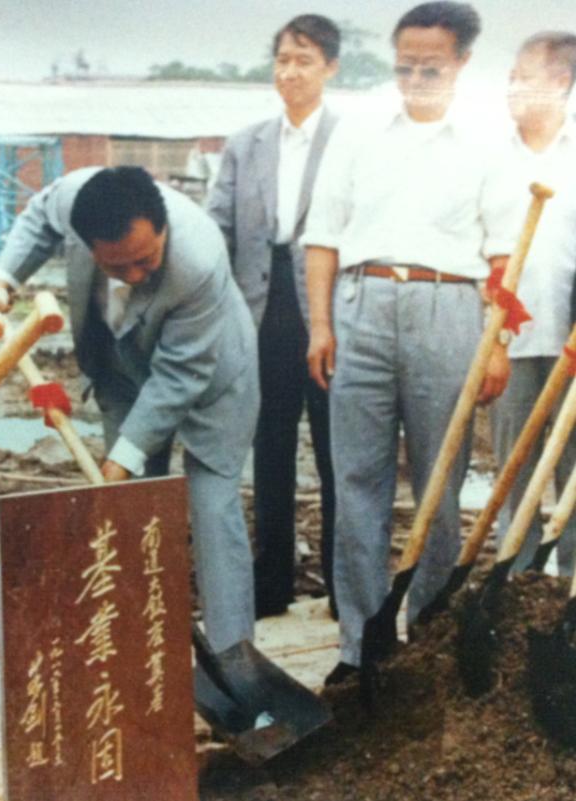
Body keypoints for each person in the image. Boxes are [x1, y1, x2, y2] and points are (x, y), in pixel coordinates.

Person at [302, 1, 515, 685]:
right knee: (356, 481)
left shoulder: (486, 144)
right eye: (405, 64)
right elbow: (323, 239)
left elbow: (507, 254)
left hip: (449, 309)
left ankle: (429, 636)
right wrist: (320, 323)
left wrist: (499, 343)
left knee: (438, 483)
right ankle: (360, 648)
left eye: (432, 64)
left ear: (460, 63)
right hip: (360, 308)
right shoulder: (358, 133)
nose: (416, 75)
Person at [0, 165, 260, 656]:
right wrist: (3, 278)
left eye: (145, 262)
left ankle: (235, 659)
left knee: (213, 512)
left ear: (163, 227)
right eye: (116, 267)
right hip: (123, 368)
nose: (133, 276)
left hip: (209, 380)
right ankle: (141, 653)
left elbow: (179, 377)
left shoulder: (199, 258)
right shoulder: (73, 199)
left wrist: (124, 454)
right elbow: (38, 216)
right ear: (87, 244)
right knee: (130, 513)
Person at [207, 14, 341, 620]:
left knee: (338, 448)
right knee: (270, 447)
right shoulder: (246, 143)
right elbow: (219, 226)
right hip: (260, 311)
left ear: (330, 68)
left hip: (326, 312)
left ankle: (346, 586)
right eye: (282, 59)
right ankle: (271, 582)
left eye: (304, 60)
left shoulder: (351, 140)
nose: (290, 71)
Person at [491, 32, 576, 575]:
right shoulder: (488, 153)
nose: (512, 88)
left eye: (525, 77)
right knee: (513, 475)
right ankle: (511, 590)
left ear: (563, 84)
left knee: (573, 476)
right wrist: (494, 334)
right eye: (511, 77)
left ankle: (570, 600)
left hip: (572, 342)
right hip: (510, 341)